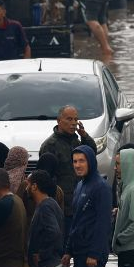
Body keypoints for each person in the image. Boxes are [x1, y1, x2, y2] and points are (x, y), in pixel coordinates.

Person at [40, 106, 98, 254]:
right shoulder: (50, 145)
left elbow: (92, 153)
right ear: (59, 121)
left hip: (80, 202)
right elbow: (45, 178)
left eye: (76, 119)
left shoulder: (77, 142)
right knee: (62, 249)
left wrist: (85, 135)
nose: (73, 123)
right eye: (69, 119)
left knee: (81, 247)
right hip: (62, 206)